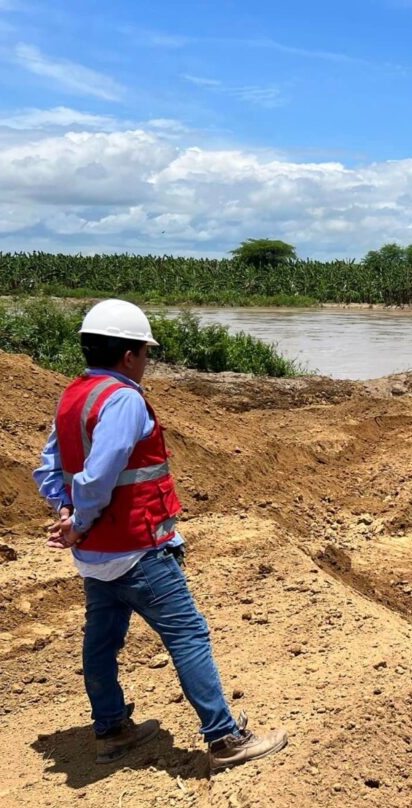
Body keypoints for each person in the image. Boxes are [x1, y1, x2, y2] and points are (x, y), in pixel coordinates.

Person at [33, 299, 286, 770]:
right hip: (136, 548)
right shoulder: (123, 399)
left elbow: (49, 470)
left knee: (102, 640)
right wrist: (80, 519)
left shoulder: (72, 397)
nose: (147, 361)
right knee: (188, 633)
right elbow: (100, 475)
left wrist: (67, 513)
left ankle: (111, 730)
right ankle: (225, 737)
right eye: (146, 353)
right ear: (129, 354)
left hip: (96, 554)